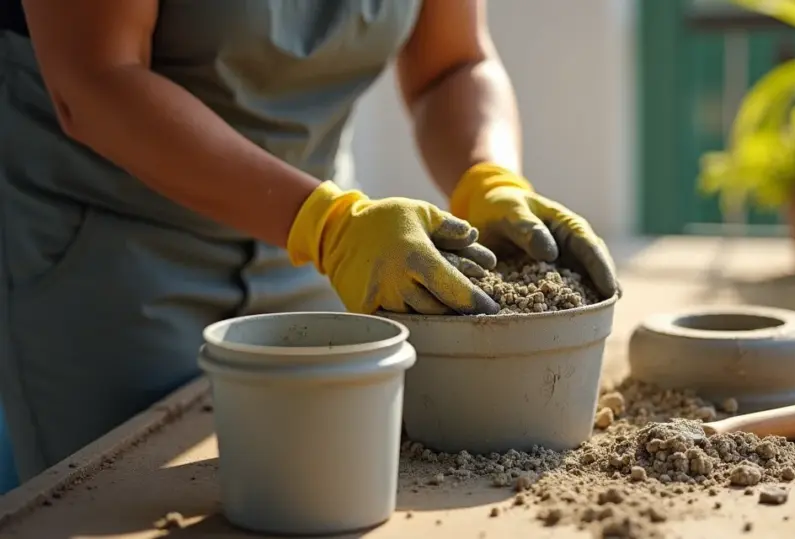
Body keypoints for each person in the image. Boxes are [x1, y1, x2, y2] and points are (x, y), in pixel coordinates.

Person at [0, 0, 618, 486]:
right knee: (114, 499)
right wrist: (325, 225)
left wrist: (488, 174)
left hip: (325, 251)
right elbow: (95, 77)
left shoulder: (344, 240)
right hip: (110, 254)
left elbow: (451, 65)